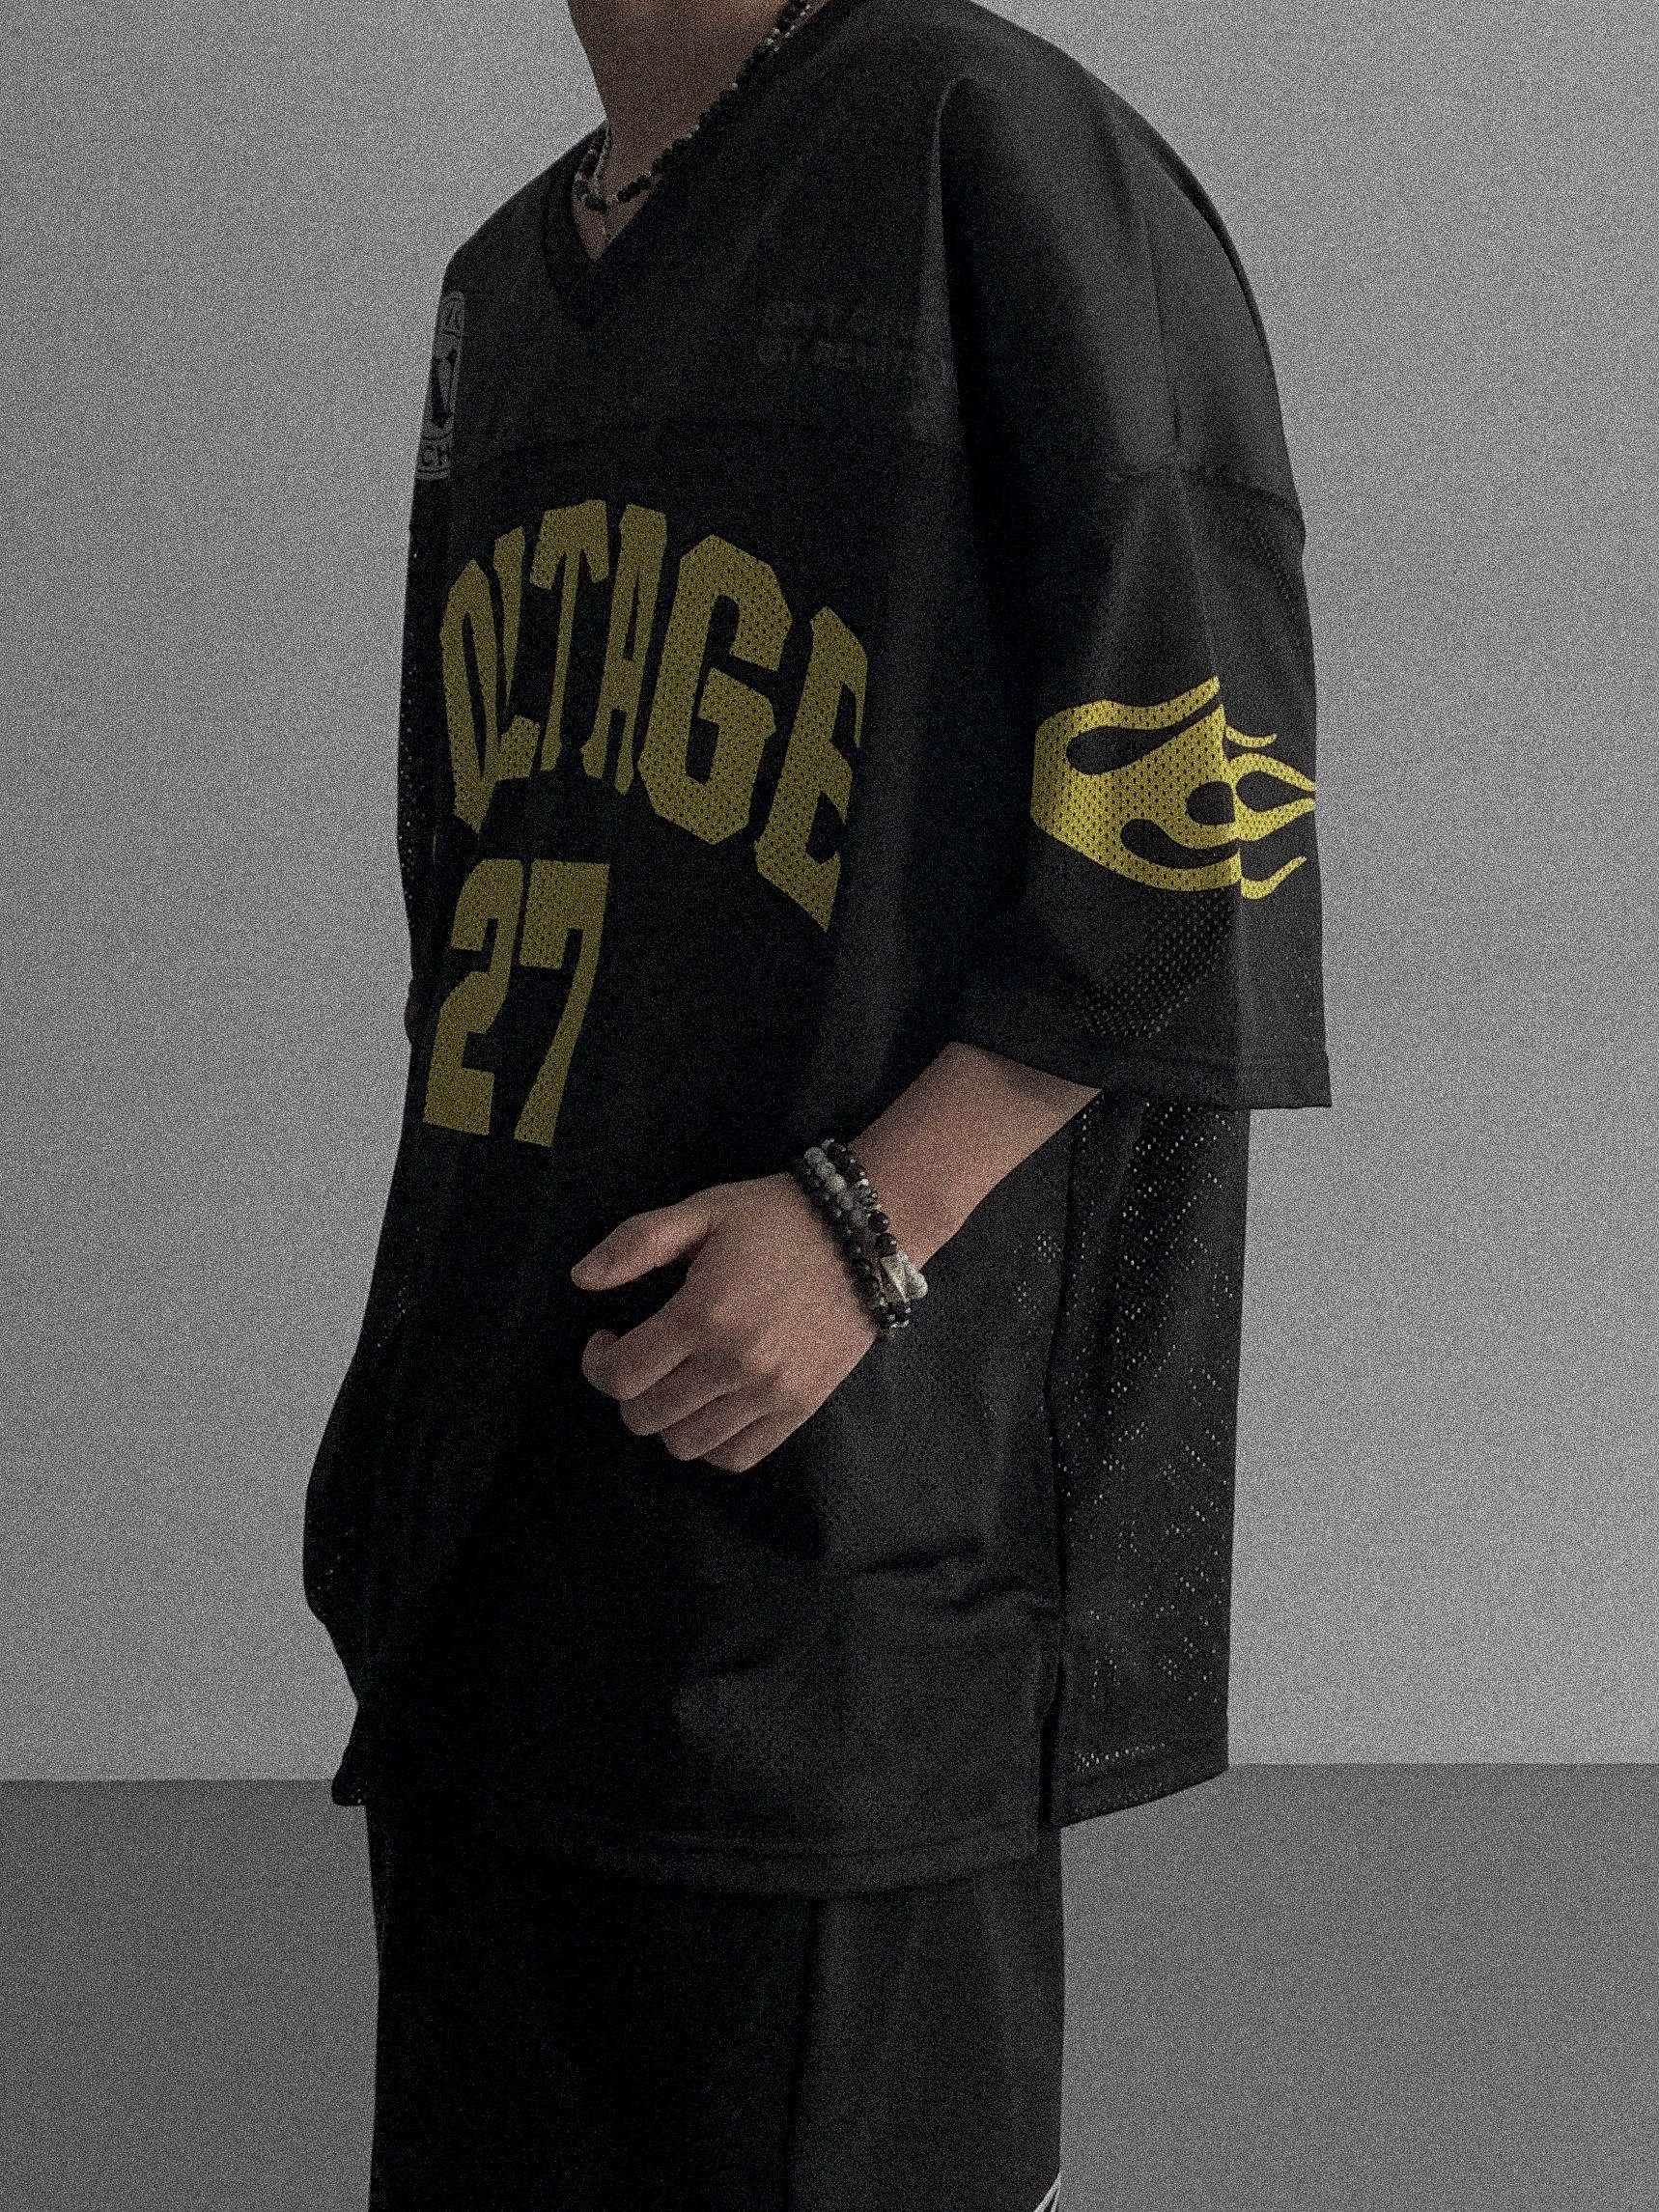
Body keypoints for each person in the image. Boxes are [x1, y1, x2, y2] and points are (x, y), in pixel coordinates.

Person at [301, 0, 1333, 2203]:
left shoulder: (979, 141)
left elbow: (1209, 803)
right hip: (494, 1539)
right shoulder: (505, 288)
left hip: (844, 1580)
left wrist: (877, 1220)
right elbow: (467, 876)